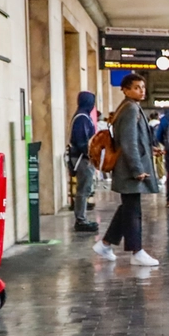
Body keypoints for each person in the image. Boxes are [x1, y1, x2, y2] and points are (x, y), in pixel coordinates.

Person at [94, 73, 161, 266]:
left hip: (127, 166)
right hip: (129, 168)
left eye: (143, 87)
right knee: (132, 211)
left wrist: (149, 149)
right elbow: (129, 142)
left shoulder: (129, 107)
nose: (142, 91)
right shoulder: (131, 109)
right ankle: (136, 251)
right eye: (137, 87)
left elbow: (135, 139)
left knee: (128, 208)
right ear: (125, 89)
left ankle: (106, 244)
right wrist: (137, 169)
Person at [68, 91, 99, 233]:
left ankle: (82, 217)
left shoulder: (83, 116)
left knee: (84, 188)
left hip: (82, 157)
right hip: (82, 158)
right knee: (83, 189)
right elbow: (81, 141)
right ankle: (80, 219)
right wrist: (90, 154)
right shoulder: (82, 118)